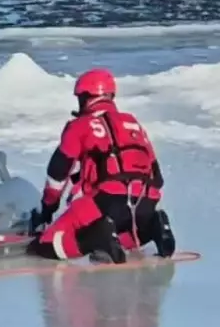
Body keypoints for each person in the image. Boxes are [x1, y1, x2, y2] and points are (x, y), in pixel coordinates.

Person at [25, 67, 176, 264]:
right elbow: (158, 178)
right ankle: (154, 227)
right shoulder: (133, 124)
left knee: (45, 245)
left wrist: (47, 210)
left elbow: (57, 173)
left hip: (106, 201)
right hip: (146, 202)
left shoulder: (79, 126)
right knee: (120, 236)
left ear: (86, 97)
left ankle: (98, 237)